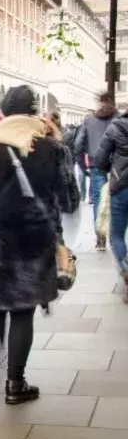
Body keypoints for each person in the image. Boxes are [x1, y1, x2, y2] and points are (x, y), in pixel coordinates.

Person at [0, 85, 80, 405]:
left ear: (3, 110)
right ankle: (15, 382)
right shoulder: (52, 148)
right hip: (33, 240)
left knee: (1, 305)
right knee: (22, 312)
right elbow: (69, 200)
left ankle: (1, 365)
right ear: (34, 110)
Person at [76, 92, 119, 250]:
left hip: (96, 165)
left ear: (99, 103)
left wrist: (82, 165)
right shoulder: (120, 118)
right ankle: (116, 238)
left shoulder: (89, 120)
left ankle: (100, 239)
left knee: (99, 200)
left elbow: (78, 144)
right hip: (118, 166)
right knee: (117, 200)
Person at [94, 109, 128, 302]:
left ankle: (126, 271)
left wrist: (112, 169)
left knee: (116, 235)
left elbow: (99, 159)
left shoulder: (115, 127)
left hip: (121, 187)